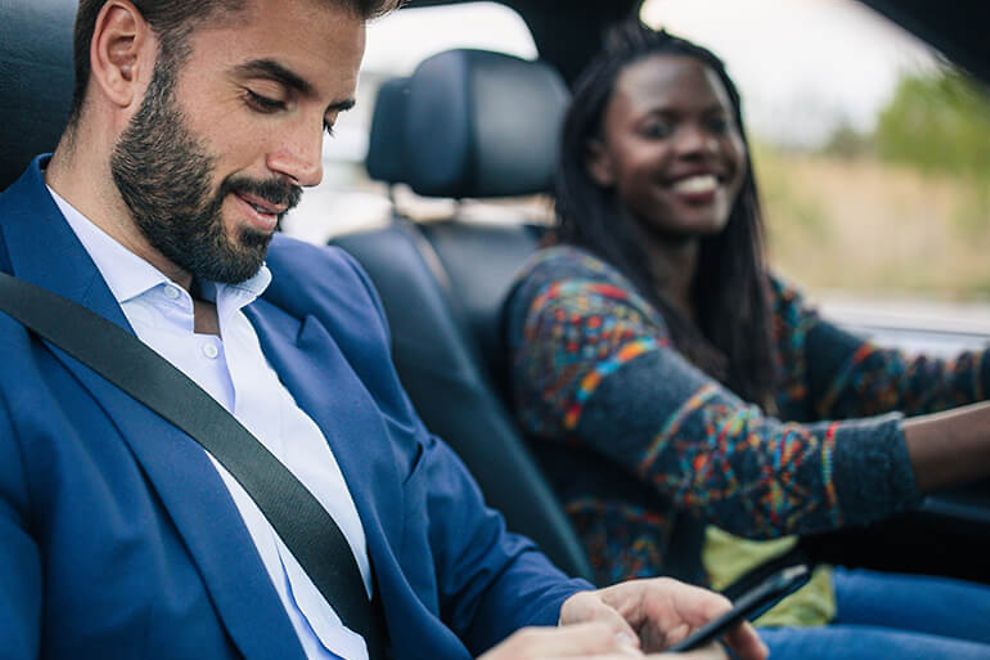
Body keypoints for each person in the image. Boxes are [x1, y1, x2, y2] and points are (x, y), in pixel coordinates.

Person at [0, 2, 770, 659]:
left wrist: (577, 612)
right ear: (125, 56)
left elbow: (469, 555)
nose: (307, 165)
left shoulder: (327, 297)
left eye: (330, 118)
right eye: (269, 96)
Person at [503, 19, 990, 660]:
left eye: (717, 123)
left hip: (793, 591)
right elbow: (753, 473)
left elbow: (892, 384)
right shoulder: (567, 308)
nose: (699, 146)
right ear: (599, 159)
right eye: (659, 129)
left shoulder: (734, 292)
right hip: (692, 632)